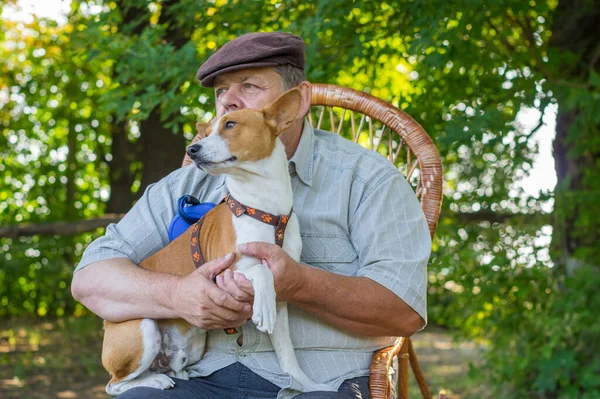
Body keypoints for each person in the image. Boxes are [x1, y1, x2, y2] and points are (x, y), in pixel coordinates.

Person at [71, 32, 431, 399]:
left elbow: (404, 312)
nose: (228, 102)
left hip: (321, 384)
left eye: (249, 85)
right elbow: (89, 279)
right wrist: (178, 295)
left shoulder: (368, 180)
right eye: (220, 93)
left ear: (295, 103)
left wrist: (299, 284)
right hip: (196, 378)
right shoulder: (186, 183)